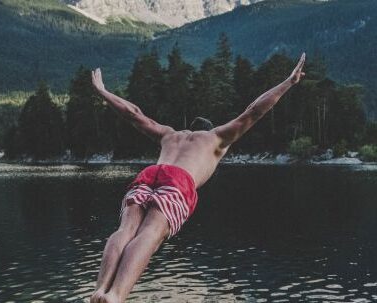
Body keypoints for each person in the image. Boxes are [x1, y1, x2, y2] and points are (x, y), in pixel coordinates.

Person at [90, 53, 306, 303]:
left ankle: (100, 289)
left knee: (126, 229)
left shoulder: (170, 135)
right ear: (209, 128)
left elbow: (134, 114)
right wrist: (289, 82)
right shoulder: (215, 138)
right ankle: (116, 295)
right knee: (149, 234)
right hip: (178, 182)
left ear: (190, 128)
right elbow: (253, 112)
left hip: (150, 174)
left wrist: (103, 91)